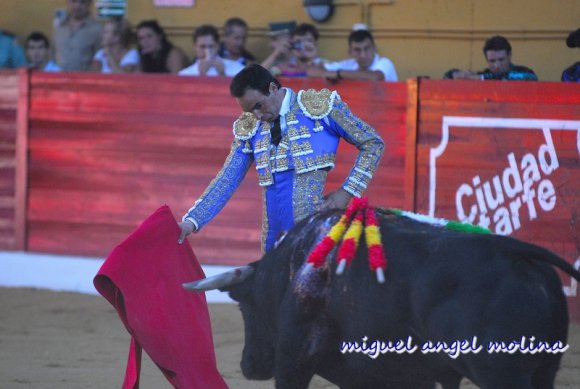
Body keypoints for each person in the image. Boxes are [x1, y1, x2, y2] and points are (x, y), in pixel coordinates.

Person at [177, 64, 385, 252]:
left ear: (273, 89)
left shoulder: (319, 108)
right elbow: (227, 178)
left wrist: (348, 192)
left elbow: (372, 143)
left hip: (315, 231)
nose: (256, 116)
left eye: (259, 106)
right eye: (250, 111)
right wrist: (192, 221)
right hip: (272, 239)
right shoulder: (250, 127)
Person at [308, 28, 398, 82]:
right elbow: (311, 71)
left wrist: (338, 74)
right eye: (357, 50)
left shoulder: (385, 62)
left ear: (374, 48)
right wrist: (328, 73)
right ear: (350, 52)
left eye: (367, 48)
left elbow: (374, 77)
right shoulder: (348, 64)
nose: (363, 54)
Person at [444, 35, 538, 81]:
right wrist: (460, 74)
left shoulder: (525, 72)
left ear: (509, 56)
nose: (496, 65)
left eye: (501, 60)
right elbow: (447, 77)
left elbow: (531, 78)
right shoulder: (485, 74)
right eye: (492, 61)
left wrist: (480, 78)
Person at [53, 0, 102, 71]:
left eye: (82, 2)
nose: (77, 5)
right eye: (73, 1)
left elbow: (100, 60)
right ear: (68, 2)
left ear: (89, 3)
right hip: (58, 79)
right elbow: (53, 53)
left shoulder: (97, 30)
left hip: (84, 80)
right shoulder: (59, 27)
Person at [179, 24, 244, 77]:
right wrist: (201, 75)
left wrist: (222, 74)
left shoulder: (238, 69)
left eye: (211, 46)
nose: (207, 51)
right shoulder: (184, 74)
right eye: (202, 46)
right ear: (194, 47)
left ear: (218, 46)